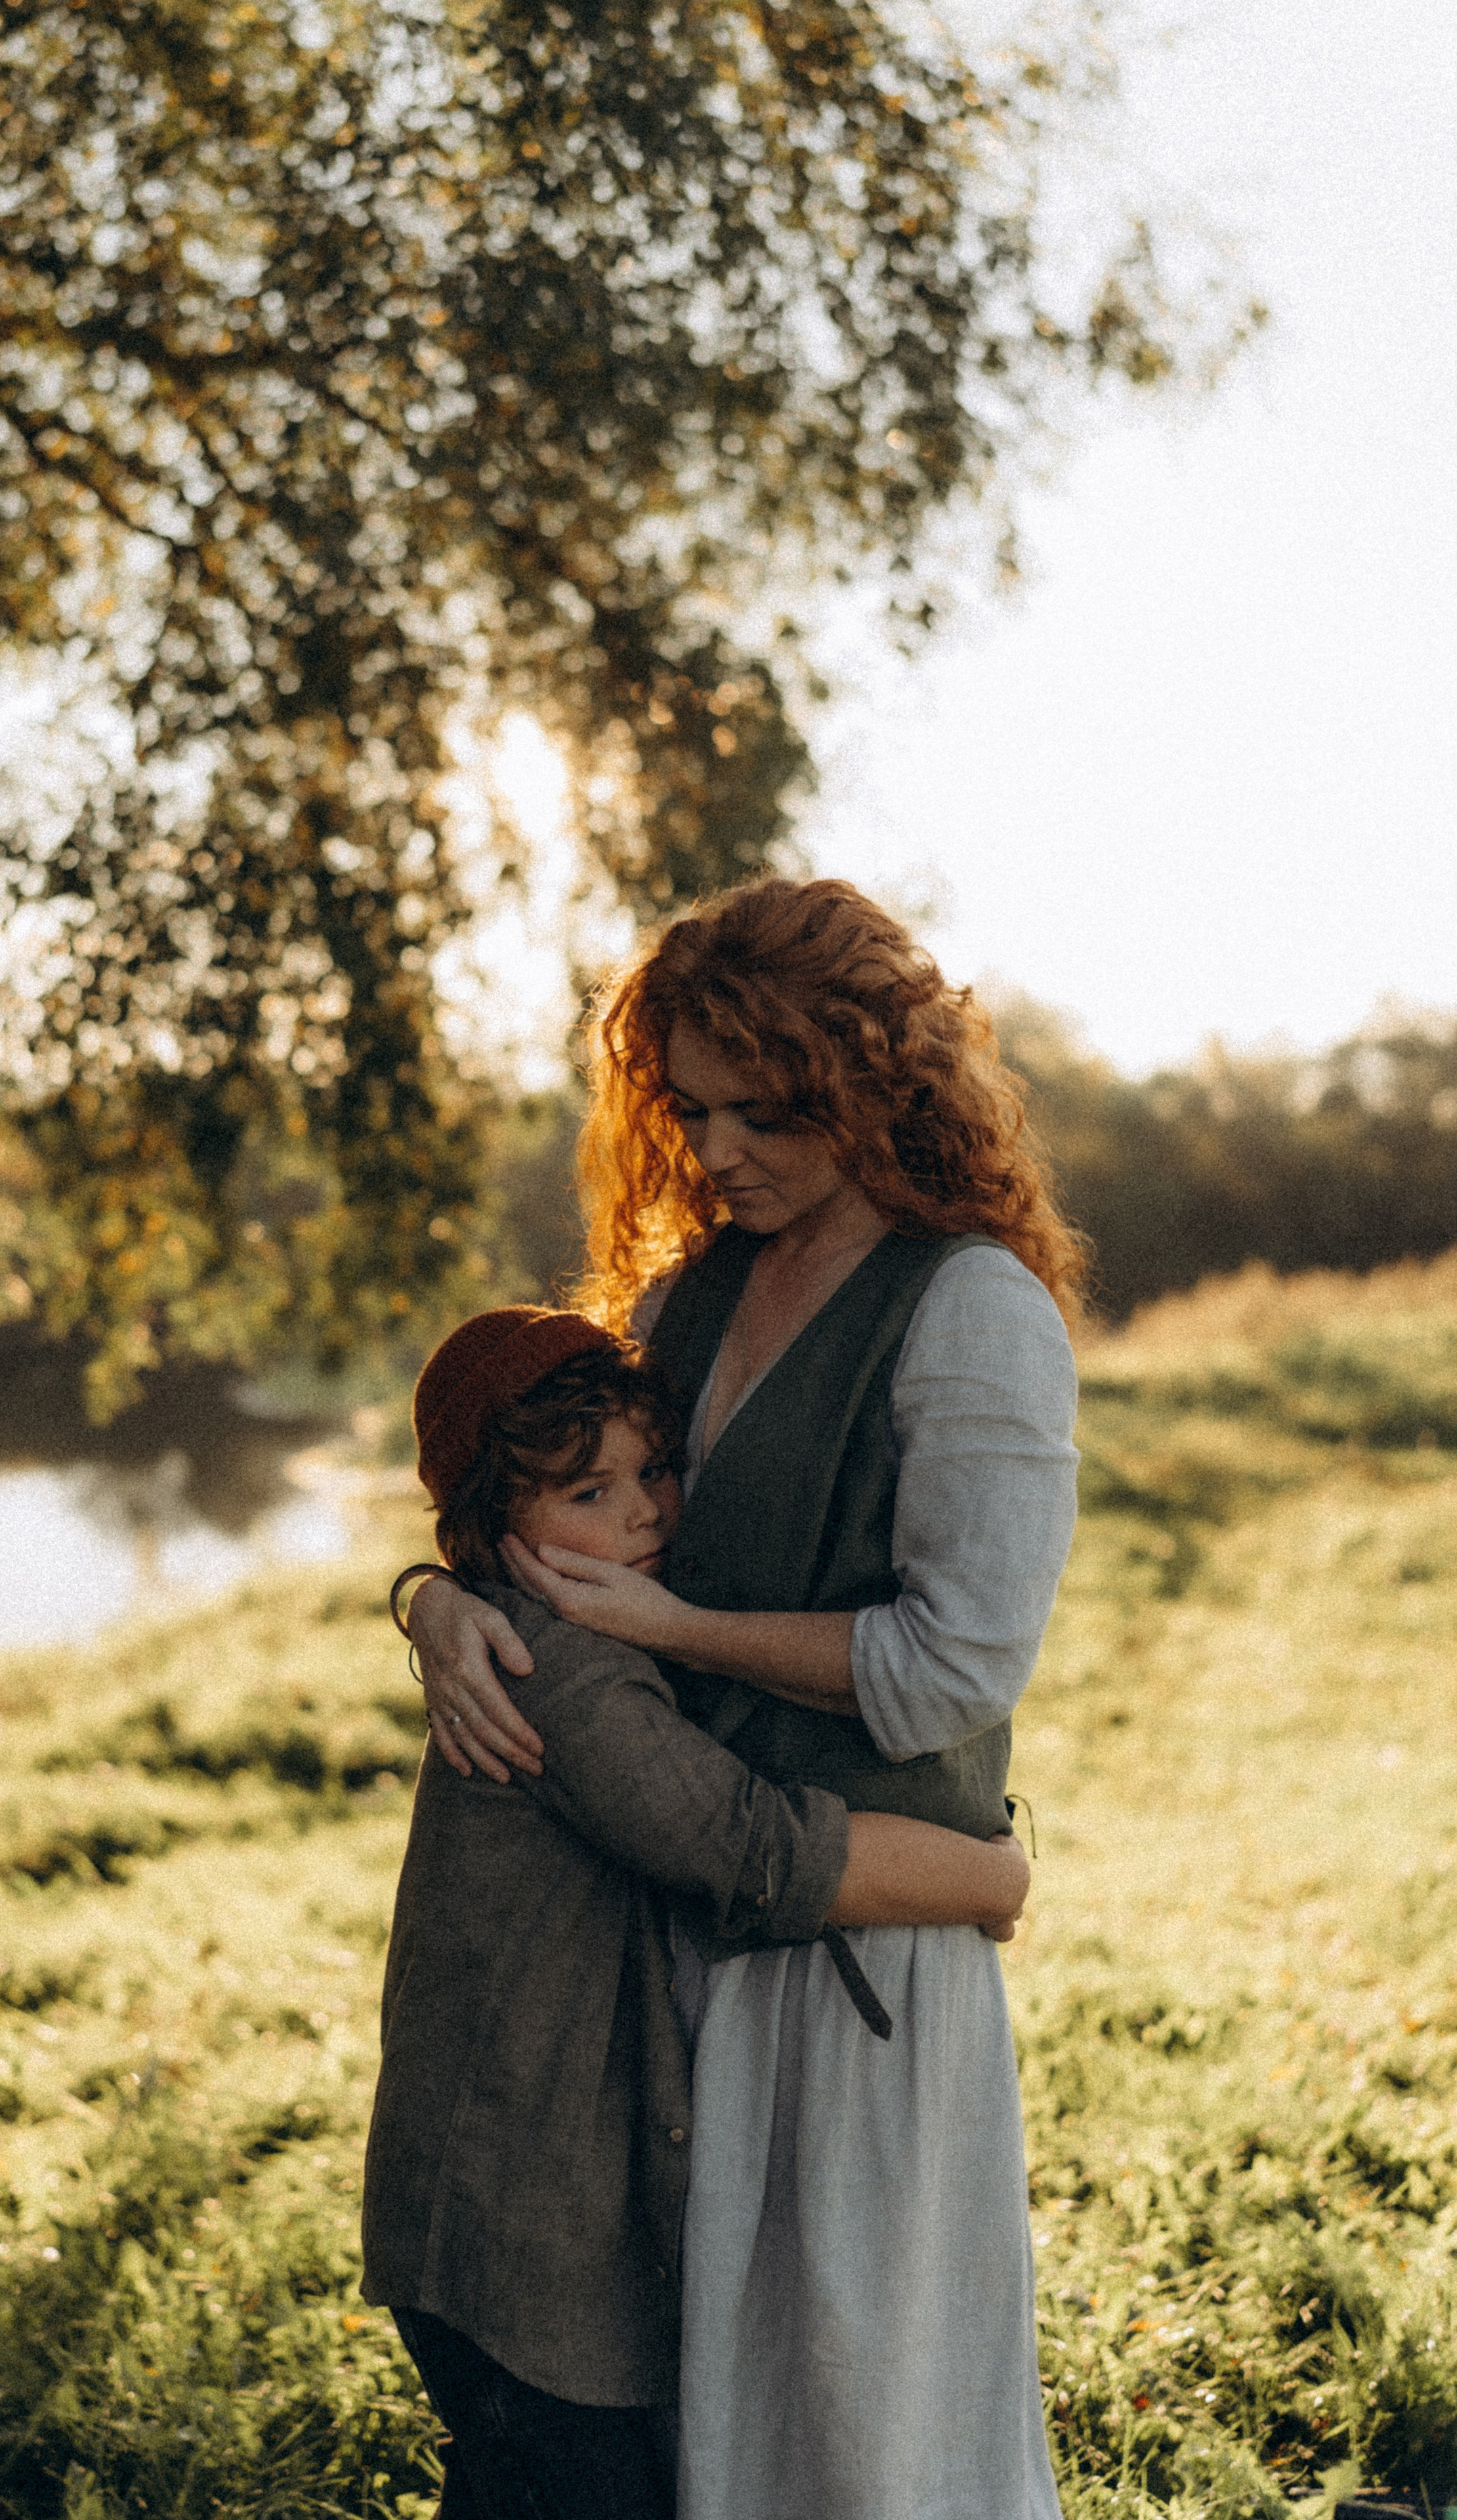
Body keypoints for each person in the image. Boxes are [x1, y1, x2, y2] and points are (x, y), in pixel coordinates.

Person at [406, 877, 1084, 2520]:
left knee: (862, 2434)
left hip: (860, 1958)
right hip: (675, 1934)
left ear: (875, 1083)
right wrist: (431, 1600)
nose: (714, 1153)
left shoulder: (970, 1311)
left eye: (763, 1112)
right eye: (687, 1111)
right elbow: (543, 1501)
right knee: (713, 2430)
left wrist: (675, 1627)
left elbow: (946, 1671)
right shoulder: (682, 1298)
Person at [364, 1302, 1032, 2520]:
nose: (644, 1513)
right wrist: (992, 1878)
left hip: (507, 2219)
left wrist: (434, 1596)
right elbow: (749, 1851)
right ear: (490, 1528)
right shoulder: (557, 1670)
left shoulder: (561, 1625)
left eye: (654, 1470)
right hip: (513, 2235)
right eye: (587, 1494)